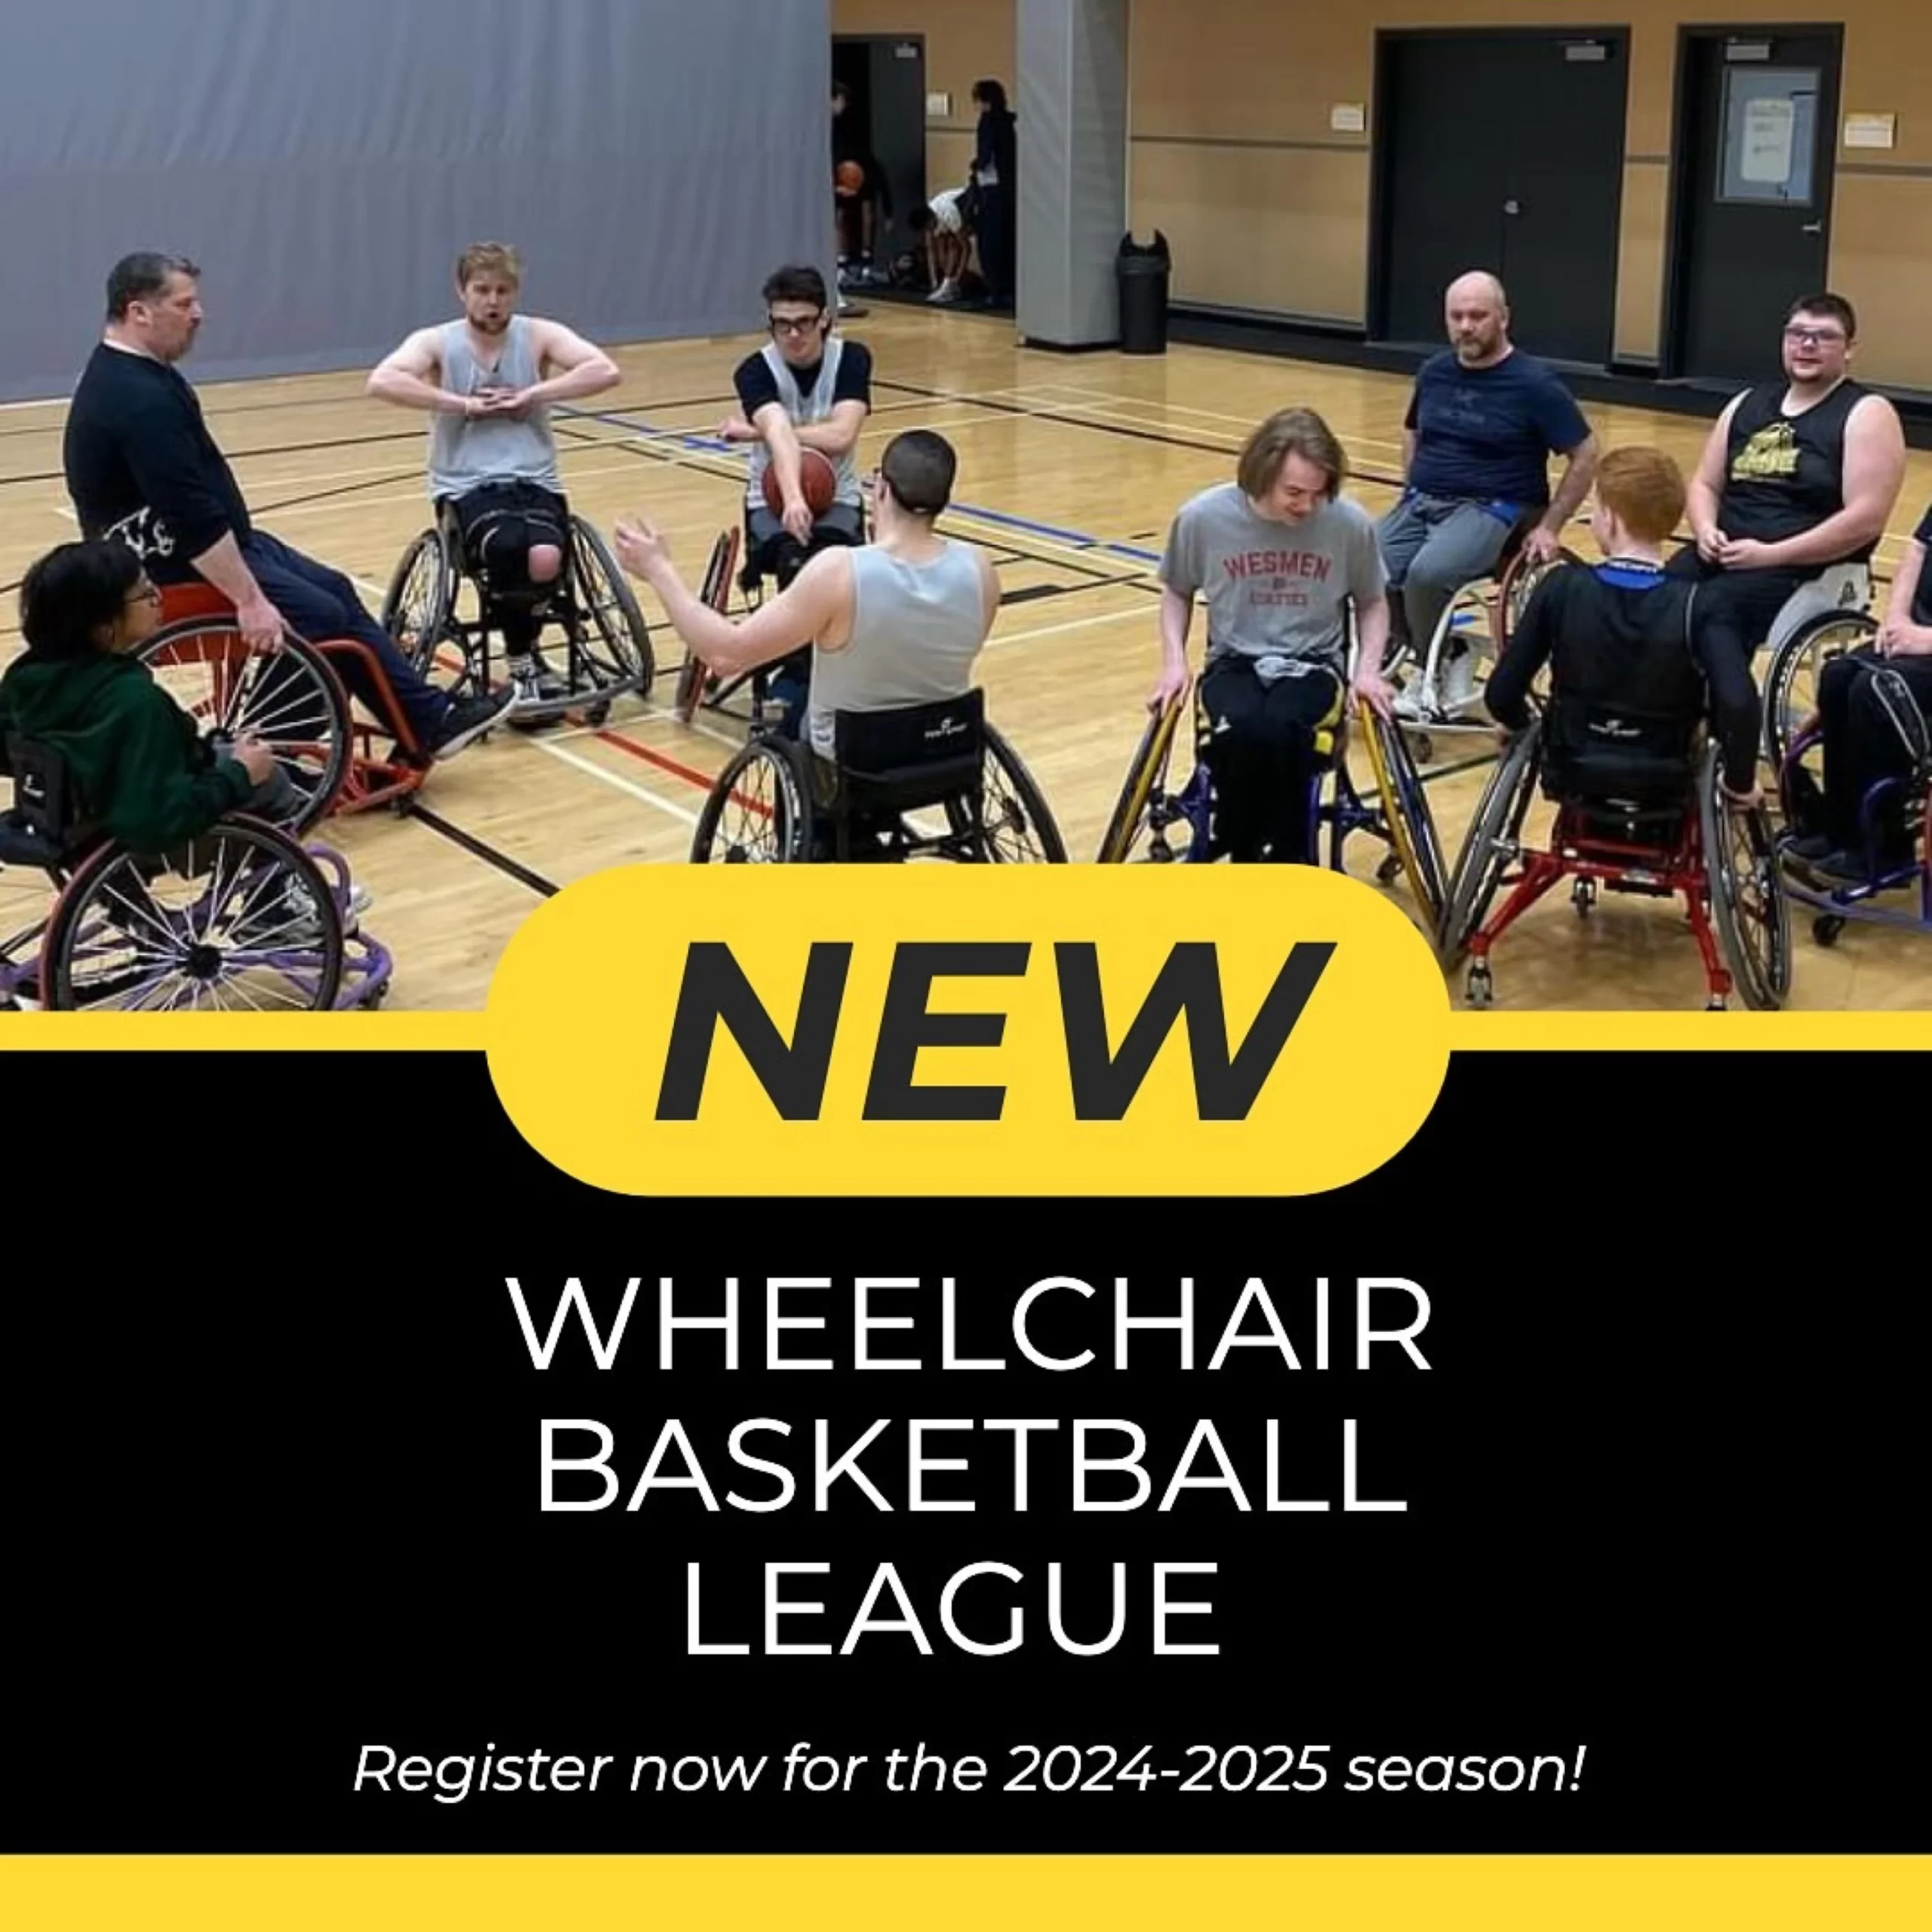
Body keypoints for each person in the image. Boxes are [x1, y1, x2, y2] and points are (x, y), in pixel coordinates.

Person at [62, 253, 518, 761]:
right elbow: (187, 515)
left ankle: (427, 721)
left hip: (207, 543)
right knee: (319, 618)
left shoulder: (132, 374)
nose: (199, 314)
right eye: (184, 303)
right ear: (138, 312)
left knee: (335, 589)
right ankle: (259, 753)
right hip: (168, 567)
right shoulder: (136, 398)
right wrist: (250, 600)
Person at [0, 539, 368, 935]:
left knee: (224, 756)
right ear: (105, 628)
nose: (158, 597)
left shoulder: (24, 679)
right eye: (144, 593)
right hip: (143, 836)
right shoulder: (134, 703)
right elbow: (159, 820)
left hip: (67, 829)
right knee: (273, 782)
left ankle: (135, 914)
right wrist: (240, 774)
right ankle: (272, 906)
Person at [613, 428, 995, 777]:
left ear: (881, 489)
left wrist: (660, 571)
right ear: (944, 500)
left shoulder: (840, 571)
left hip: (855, 761)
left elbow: (726, 655)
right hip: (945, 750)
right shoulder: (980, 569)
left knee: (791, 729)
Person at [366, 242, 621, 708]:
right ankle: (523, 660)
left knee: (545, 556)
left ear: (515, 292)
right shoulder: (437, 341)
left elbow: (604, 370)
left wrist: (535, 394)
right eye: (482, 289)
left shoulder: (538, 333)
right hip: (466, 485)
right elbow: (382, 380)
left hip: (534, 479)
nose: (493, 300)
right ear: (462, 291)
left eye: (503, 290)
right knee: (504, 547)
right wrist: (460, 404)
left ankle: (525, 650)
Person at [1151, 406, 1395, 864]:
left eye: (1319, 493)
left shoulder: (1349, 524)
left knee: (1281, 728)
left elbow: (1372, 601)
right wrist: (1173, 664)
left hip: (1314, 667)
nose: (1307, 506)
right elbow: (1176, 590)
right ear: (1261, 473)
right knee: (1243, 729)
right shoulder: (1203, 518)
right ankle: (1256, 848)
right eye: (1295, 492)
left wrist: (1367, 670)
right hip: (1234, 662)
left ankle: (1268, 851)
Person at [1485, 447, 1761, 816]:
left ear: (1611, 519)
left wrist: (1524, 727)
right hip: (1666, 772)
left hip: (1573, 762)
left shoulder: (1561, 588)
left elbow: (1501, 693)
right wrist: (1740, 782)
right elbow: (1739, 702)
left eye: (1596, 509)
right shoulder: (1701, 606)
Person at [1380, 271, 1599, 719]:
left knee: (1427, 573)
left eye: (1477, 316)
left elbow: (1586, 453)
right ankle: (1446, 650)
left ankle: (1430, 665)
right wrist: (1410, 489)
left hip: (1495, 508)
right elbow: (1412, 432)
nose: (1465, 326)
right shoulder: (1435, 372)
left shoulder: (1534, 385)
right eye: (1456, 316)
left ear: (1503, 319)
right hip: (1425, 501)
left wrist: (1550, 525)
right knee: (1365, 561)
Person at [1669, 293, 1906, 687]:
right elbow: (1706, 483)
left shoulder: (1867, 413)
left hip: (1803, 569)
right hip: (1726, 554)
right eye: (1797, 333)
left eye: (1824, 337)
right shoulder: (1748, 403)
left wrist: (1771, 555)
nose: (1807, 344)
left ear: (1849, 350)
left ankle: (1726, 722)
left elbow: (1866, 519)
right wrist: (1706, 529)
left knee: (1711, 610)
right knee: (1655, 598)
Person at [715, 266, 873, 735]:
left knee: (836, 565)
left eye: (803, 322)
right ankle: (799, 677)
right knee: (794, 559)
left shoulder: (852, 359)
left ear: (824, 319)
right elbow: (780, 436)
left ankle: (824, 670)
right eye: (781, 324)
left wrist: (756, 430)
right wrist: (791, 495)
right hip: (771, 499)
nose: (793, 334)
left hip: (838, 494)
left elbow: (843, 436)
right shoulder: (753, 370)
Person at [1787, 498, 1932, 880]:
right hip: (1913, 638)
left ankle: (1886, 845)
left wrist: (1924, 639)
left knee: (1876, 691)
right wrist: (1898, 616)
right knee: (1838, 676)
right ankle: (1839, 830)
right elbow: (1918, 549)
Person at [969, 79, 1017, 310]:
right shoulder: (1011, 120)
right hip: (1011, 189)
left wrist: (975, 165)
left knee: (990, 242)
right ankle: (1010, 288)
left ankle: (995, 290)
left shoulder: (988, 122)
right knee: (1009, 239)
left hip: (992, 188)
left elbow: (985, 156)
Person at [912, 186, 974, 304]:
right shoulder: (931, 213)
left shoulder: (948, 213)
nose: (928, 232)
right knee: (950, 244)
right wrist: (934, 283)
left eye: (927, 228)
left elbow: (967, 248)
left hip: (972, 206)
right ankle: (946, 284)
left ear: (930, 221)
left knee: (957, 242)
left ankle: (951, 286)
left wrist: (957, 279)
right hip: (958, 213)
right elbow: (931, 250)